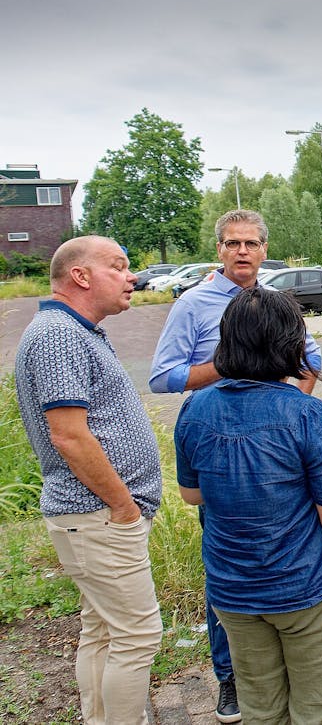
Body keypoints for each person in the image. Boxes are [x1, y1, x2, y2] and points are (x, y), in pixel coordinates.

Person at [174, 287, 322, 724]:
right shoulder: (308, 416)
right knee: (321, 709)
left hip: (232, 592)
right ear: (289, 344)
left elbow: (192, 495)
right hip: (307, 589)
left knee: (260, 708)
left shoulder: (194, 410)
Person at [149, 209, 322, 722]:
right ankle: (229, 677)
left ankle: (286, 661)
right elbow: (162, 378)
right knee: (226, 562)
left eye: (250, 243)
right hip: (221, 450)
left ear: (265, 249)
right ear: (219, 250)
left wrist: (294, 408)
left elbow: (311, 360)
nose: (242, 251)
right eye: (232, 243)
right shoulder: (192, 304)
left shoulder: (278, 303)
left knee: (288, 550)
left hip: (278, 453)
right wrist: (228, 365)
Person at [15, 236, 163, 724]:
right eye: (118, 267)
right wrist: (123, 506)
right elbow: (69, 436)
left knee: (102, 631)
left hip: (95, 517)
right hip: (99, 516)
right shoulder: (58, 335)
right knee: (138, 636)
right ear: (80, 276)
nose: (131, 277)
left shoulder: (75, 331)